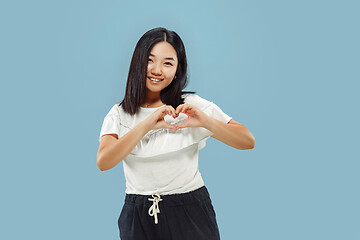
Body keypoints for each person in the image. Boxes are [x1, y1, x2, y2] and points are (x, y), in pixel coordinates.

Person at [96, 27, 255, 240]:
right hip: (138, 214)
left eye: (168, 63)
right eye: (149, 60)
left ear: (178, 69)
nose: (156, 70)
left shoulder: (189, 107)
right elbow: (104, 161)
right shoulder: (119, 114)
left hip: (189, 210)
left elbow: (247, 140)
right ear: (137, 61)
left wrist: (206, 122)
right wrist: (148, 124)